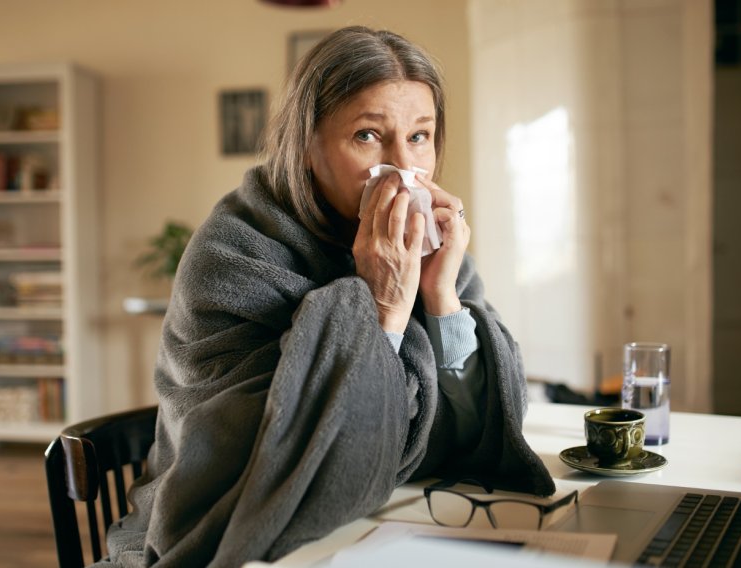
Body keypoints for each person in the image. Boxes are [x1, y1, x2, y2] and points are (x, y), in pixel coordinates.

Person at [102, 26, 554, 567]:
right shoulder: (233, 253)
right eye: (367, 135)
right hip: (244, 531)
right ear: (308, 144)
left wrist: (440, 298)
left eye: (419, 136)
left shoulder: (429, 251)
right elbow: (278, 462)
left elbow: (476, 432)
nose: (405, 167)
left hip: (391, 522)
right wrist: (381, 306)